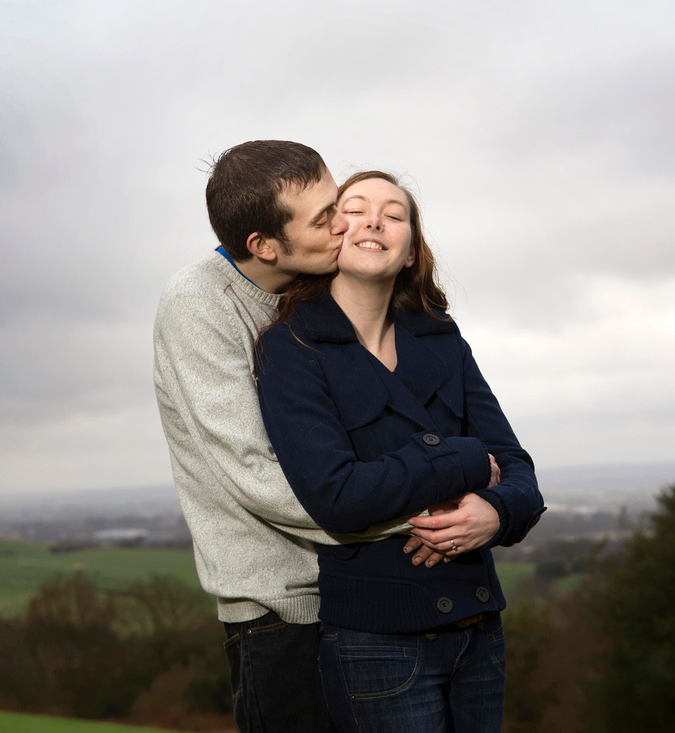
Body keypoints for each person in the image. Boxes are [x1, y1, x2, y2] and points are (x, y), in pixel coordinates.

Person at [155, 143, 461, 731]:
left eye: (335, 203)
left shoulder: (308, 291)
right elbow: (255, 476)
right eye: (325, 218)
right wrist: (424, 515)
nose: (346, 223)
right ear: (264, 245)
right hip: (281, 612)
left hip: (359, 592)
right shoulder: (197, 305)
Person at [255, 171, 545, 732]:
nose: (374, 220)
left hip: (479, 626)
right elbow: (336, 496)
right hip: (377, 644)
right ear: (332, 235)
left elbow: (517, 469)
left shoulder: (441, 337)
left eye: (394, 214)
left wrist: (495, 513)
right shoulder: (291, 347)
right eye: (356, 208)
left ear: (411, 249)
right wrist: (461, 463)